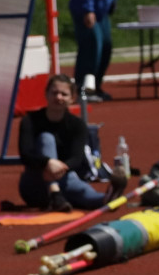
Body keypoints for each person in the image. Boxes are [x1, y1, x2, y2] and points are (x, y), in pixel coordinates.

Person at [17, 74, 125, 213]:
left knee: (84, 191)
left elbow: (77, 158)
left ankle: (106, 199)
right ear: (46, 94)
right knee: (46, 138)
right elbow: (25, 155)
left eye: (64, 94)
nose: (58, 97)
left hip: (64, 177)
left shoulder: (77, 125)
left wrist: (60, 168)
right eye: (54, 93)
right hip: (35, 182)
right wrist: (48, 163)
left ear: (72, 98)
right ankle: (54, 192)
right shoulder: (29, 121)